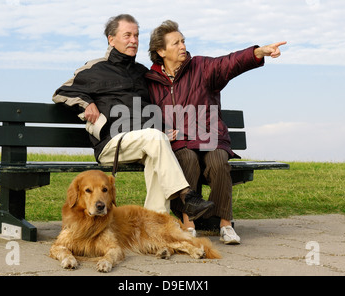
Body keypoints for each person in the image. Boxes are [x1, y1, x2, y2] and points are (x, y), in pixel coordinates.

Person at [52, 14, 214, 220]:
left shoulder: (141, 73)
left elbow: (152, 107)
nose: (134, 40)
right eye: (127, 35)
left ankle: (155, 224)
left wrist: (164, 129)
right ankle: (186, 196)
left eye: (136, 35)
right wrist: (87, 103)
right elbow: (61, 93)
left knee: (156, 153)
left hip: (144, 142)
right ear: (111, 39)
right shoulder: (94, 69)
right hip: (111, 144)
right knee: (155, 138)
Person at [145, 20, 286, 244]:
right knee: (186, 159)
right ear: (161, 51)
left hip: (210, 138)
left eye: (183, 41)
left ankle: (225, 225)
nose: (183, 46)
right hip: (180, 142)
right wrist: (161, 130)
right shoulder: (150, 81)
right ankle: (187, 224)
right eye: (176, 43)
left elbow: (229, 63)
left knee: (219, 161)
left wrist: (258, 52)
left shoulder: (201, 67)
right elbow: (144, 115)